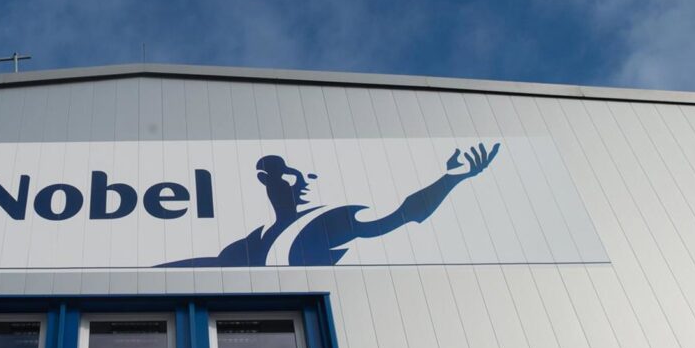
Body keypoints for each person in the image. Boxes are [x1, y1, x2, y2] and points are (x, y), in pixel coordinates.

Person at [161, 142, 499, 267]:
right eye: (275, 178)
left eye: (292, 176)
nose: (288, 183)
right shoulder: (250, 244)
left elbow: (400, 216)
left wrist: (451, 178)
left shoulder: (325, 222)